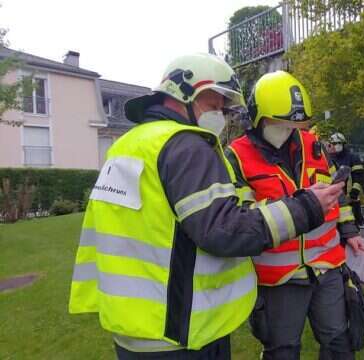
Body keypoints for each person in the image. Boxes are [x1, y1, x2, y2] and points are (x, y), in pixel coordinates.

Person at [68, 54, 343, 359]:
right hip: (181, 327)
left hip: (132, 326)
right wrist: (307, 206)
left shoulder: (127, 145)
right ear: (187, 94)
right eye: (215, 106)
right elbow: (224, 230)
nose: (221, 115)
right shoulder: (186, 146)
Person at [226, 71, 364, 360]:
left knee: (339, 341)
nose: (289, 130)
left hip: (328, 267)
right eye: (280, 123)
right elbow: (241, 218)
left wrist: (350, 231)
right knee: (283, 350)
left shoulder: (313, 144)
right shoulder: (236, 156)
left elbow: (335, 191)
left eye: (294, 124)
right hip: (279, 278)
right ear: (257, 118)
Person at [326, 132, 364, 226]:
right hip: (335, 198)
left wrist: (354, 192)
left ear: (340, 144)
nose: (331, 147)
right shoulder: (330, 158)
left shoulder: (352, 158)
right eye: (330, 145)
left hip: (351, 199)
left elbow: (359, 177)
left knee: (351, 224)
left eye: (333, 144)